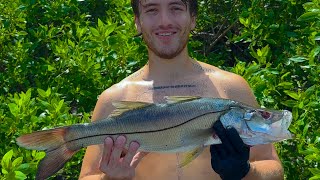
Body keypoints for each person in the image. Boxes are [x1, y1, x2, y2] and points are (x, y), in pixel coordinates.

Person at [79, 0, 284, 179]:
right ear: (137, 21)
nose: (164, 20)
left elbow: (273, 168)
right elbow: (88, 176)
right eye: (151, 10)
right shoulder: (113, 98)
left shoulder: (231, 87)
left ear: (193, 18)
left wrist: (245, 172)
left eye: (176, 8)